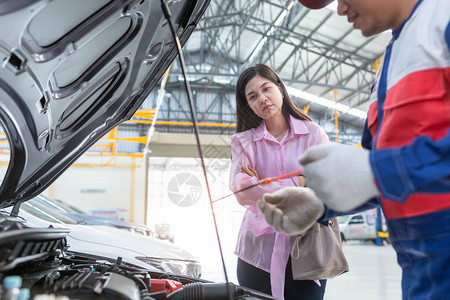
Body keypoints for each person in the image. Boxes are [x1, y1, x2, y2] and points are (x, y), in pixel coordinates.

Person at [258, 0, 450, 299]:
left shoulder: (443, 18)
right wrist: (321, 203)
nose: (339, 9)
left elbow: (379, 169)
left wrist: (373, 170)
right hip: (421, 275)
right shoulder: (389, 67)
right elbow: (387, 177)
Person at [229, 64, 331, 299]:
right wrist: (301, 182)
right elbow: (243, 190)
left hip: (306, 249)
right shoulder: (243, 142)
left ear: (281, 89)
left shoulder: (314, 134)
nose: (262, 99)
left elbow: (323, 188)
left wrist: (262, 184)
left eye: (266, 89)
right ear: (249, 106)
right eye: (253, 97)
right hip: (256, 253)